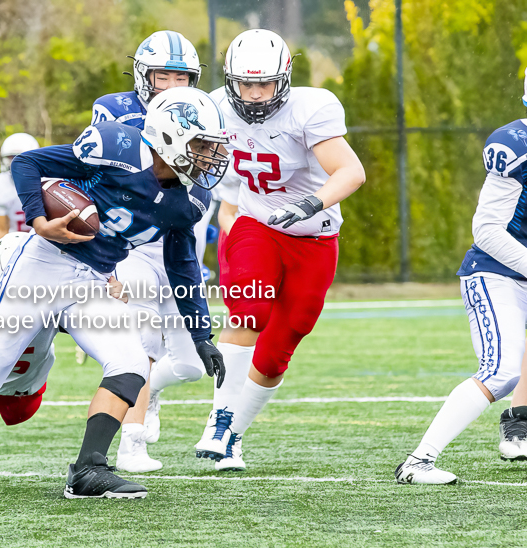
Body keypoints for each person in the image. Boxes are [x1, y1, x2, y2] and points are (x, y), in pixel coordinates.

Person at [0, 87, 228, 499]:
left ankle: (89, 469)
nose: (208, 157)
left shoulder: (192, 198)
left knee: (130, 364)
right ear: (168, 136)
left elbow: (182, 264)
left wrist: (201, 336)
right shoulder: (117, 145)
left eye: (211, 147)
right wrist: (38, 220)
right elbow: (28, 163)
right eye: (201, 145)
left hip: (94, 281)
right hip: (43, 265)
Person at [194, 29, 365, 470]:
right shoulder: (214, 109)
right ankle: (219, 419)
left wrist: (310, 203)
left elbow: (351, 172)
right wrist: (236, 240)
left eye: (263, 84)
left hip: (315, 235)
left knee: (277, 351)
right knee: (251, 312)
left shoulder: (312, 108)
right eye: (244, 84)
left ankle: (233, 436)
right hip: (258, 226)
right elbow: (226, 197)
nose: (252, 95)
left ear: (284, 77)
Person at [396, 69, 527, 483]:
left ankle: (518, 430)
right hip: (496, 273)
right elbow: (486, 232)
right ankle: (417, 463)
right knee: (500, 370)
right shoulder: (516, 146)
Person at [90, 30, 211, 471]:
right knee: (140, 346)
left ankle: (150, 391)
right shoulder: (116, 111)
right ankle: (131, 443)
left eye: (183, 78)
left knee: (191, 365)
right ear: (143, 76)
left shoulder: (202, 113)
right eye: (164, 76)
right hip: (134, 242)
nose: (174, 87)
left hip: (178, 240)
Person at [0, 232, 129, 471]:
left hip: (26, 384)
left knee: (20, 416)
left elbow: (89, 315)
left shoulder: (51, 295)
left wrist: (109, 298)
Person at [0, 133, 40, 241]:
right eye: (12, 158)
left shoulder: (48, 182)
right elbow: (1, 230)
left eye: (20, 158)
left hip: (45, 242)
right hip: (14, 243)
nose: (15, 163)